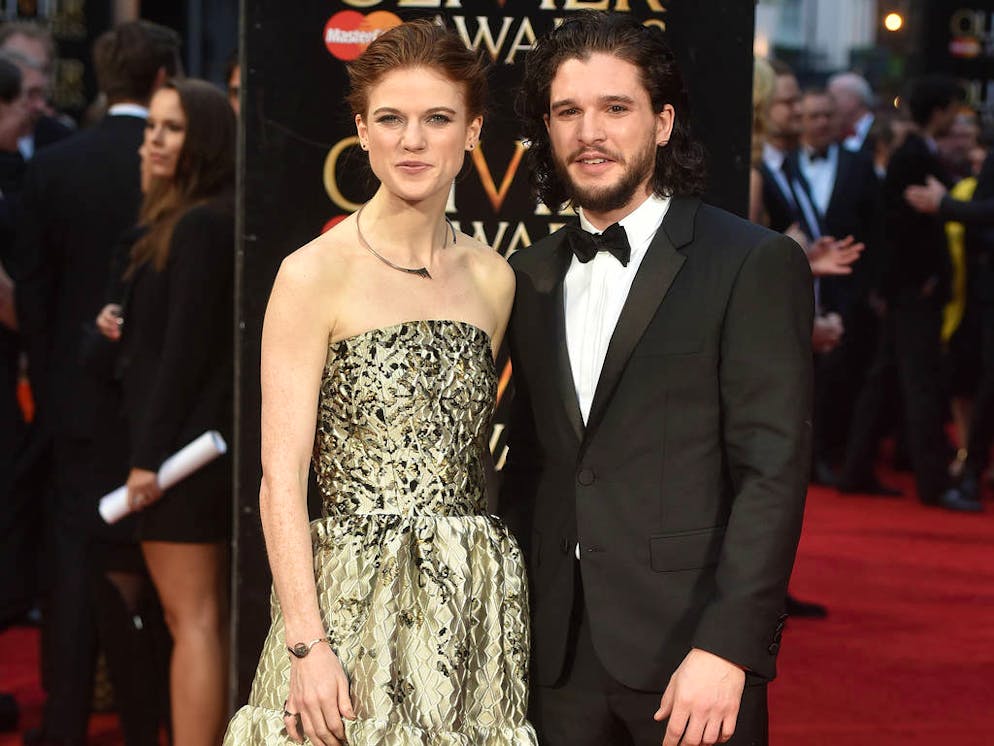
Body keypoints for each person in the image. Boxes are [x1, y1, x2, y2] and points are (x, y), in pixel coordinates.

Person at [501, 13, 813, 746]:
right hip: (556, 659)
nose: (589, 132)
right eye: (567, 112)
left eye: (616, 108)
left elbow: (772, 472)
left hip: (689, 655)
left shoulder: (749, 263)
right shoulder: (530, 274)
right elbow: (535, 469)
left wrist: (729, 646)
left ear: (663, 122)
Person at [225, 20, 536, 746]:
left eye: (437, 119)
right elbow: (280, 477)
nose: (413, 141)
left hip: (469, 603)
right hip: (346, 602)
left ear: (473, 129)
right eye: (391, 120)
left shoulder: (494, 278)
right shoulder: (313, 274)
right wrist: (307, 643)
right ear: (362, 131)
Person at [11, 21, 180, 746]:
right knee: (168, 583)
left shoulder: (53, 166)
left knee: (75, 578)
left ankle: (64, 726)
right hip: (167, 416)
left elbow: (34, 298)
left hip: (74, 411)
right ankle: (155, 726)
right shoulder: (189, 165)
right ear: (166, 76)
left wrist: (52, 394)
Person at [95, 78, 235, 746]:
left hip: (184, 463)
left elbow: (184, 359)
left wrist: (147, 462)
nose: (153, 139)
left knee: (195, 621)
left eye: (172, 128)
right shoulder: (175, 221)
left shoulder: (204, 224)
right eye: (151, 125)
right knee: (196, 621)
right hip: (179, 455)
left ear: (203, 139)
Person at [839, 75, 963, 507]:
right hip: (913, 291)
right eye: (954, 110)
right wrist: (922, 277)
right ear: (941, 109)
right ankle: (934, 484)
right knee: (919, 384)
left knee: (886, 380)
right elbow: (903, 228)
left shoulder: (915, 152)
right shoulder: (913, 155)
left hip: (905, 288)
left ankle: (856, 469)